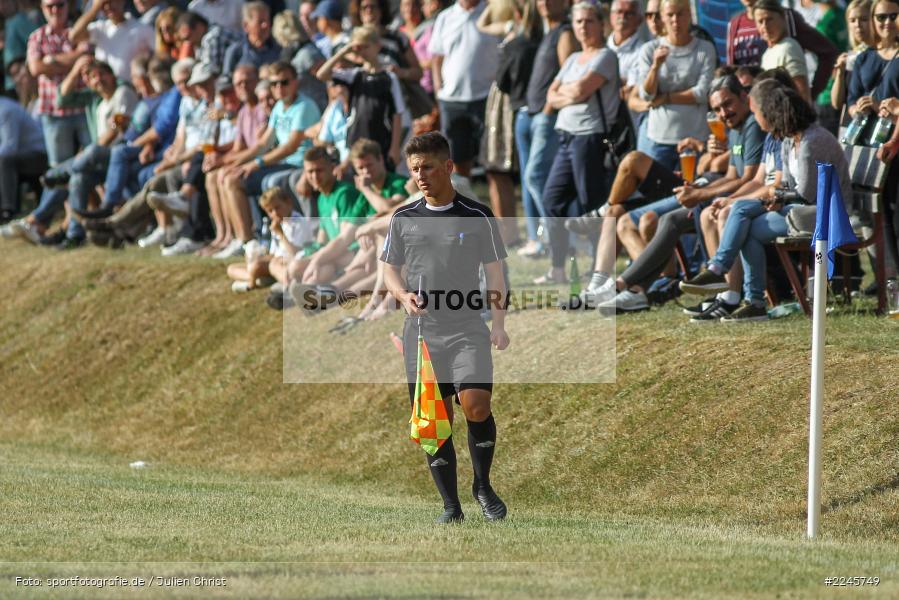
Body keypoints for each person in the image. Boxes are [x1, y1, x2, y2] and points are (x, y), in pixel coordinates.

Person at [380, 131, 509, 524]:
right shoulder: (404, 218)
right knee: (435, 423)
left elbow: (496, 276)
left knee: (475, 405)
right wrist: (403, 297)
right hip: (422, 332)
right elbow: (389, 270)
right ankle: (451, 507)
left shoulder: (478, 215)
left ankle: (482, 485)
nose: (421, 175)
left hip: (468, 325)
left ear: (449, 167)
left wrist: (498, 324)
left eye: (428, 167)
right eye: (415, 169)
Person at [684, 78, 851, 322]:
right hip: (802, 210)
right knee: (746, 224)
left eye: (756, 113)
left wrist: (777, 197)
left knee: (740, 209)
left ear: (770, 113)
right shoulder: (788, 139)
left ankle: (719, 269)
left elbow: (806, 192)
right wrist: (777, 197)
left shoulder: (811, 141)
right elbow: (787, 187)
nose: (757, 120)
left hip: (826, 215)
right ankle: (754, 301)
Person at [597, 74, 766, 314]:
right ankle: (633, 289)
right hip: (716, 194)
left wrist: (701, 194)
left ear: (744, 97)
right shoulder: (735, 127)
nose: (723, 113)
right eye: (717, 109)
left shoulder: (751, 126)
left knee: (668, 219)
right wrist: (699, 189)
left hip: (737, 200)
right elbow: (730, 175)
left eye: (727, 104)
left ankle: (625, 286)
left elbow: (747, 179)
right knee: (648, 219)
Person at [538, 0, 620, 285]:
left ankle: (600, 270)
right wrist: (569, 95)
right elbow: (552, 95)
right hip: (565, 135)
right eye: (578, 22)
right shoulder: (573, 59)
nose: (583, 27)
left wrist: (570, 93)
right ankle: (558, 266)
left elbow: (583, 90)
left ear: (601, 24)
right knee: (551, 200)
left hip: (589, 138)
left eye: (589, 21)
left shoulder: (606, 56)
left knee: (591, 204)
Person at [515, 0, 577, 258]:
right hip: (529, 113)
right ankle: (538, 239)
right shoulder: (546, 31)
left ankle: (559, 237)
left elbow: (568, 73)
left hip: (546, 117)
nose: (544, 3)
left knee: (536, 177)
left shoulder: (564, 32)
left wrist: (548, 111)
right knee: (529, 181)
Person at [634, 0, 716, 170]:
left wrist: (665, 98)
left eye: (680, 13)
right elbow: (647, 95)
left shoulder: (704, 48)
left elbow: (702, 93)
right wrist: (655, 66)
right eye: (670, 14)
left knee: (691, 190)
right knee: (657, 192)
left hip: (694, 137)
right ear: (662, 17)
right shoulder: (650, 50)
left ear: (689, 15)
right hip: (659, 139)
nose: (675, 20)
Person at [316, 25, 406, 168]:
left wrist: (395, 147)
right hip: (355, 140)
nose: (362, 51)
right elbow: (322, 74)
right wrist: (345, 50)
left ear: (377, 46)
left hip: (381, 140)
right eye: (359, 47)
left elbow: (397, 114)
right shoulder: (354, 75)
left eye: (366, 46)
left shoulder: (389, 77)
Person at [429, 0, 501, 176]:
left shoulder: (494, 12)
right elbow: (437, 58)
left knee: (493, 165)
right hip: (452, 102)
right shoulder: (445, 17)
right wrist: (439, 89)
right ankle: (462, 203)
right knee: (456, 163)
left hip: (487, 98)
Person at [27, 0, 91, 168]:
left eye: (60, 4)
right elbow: (35, 68)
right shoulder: (36, 36)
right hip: (53, 111)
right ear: (42, 8)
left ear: (68, 6)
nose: (55, 10)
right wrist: (74, 58)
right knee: (60, 170)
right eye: (50, 6)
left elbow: (86, 58)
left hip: (82, 108)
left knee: (92, 164)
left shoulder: (78, 33)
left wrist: (52, 61)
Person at [228, 187, 315, 291]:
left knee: (256, 266)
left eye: (277, 207)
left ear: (288, 203)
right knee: (232, 268)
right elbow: (274, 252)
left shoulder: (298, 223)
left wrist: (281, 234)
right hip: (276, 261)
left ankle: (254, 282)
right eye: (270, 211)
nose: (275, 213)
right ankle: (260, 278)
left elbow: (297, 254)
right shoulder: (279, 223)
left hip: (290, 263)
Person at [68, 0, 155, 84]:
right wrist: (94, 9)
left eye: (112, 1)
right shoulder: (101, 29)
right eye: (104, 4)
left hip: (131, 91)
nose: (108, 6)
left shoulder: (142, 29)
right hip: (105, 91)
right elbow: (74, 36)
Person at [754, 0, 811, 102]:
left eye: (769, 19)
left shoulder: (789, 47)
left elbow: (802, 93)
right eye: (760, 21)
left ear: (782, 18)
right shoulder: (767, 54)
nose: (765, 26)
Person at [0, 94, 45, 224]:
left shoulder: (5, 110)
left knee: (5, 160)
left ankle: (7, 210)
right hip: (20, 156)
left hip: (38, 156)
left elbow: (9, 147)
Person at [831, 0, 875, 112]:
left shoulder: (882, 54)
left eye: (864, 19)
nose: (858, 25)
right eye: (852, 21)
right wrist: (840, 72)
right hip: (849, 125)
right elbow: (836, 103)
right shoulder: (850, 56)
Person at [222, 2, 282, 75]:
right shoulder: (236, 52)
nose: (265, 25)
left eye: (267, 20)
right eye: (260, 22)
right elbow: (226, 83)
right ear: (246, 25)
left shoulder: (279, 50)